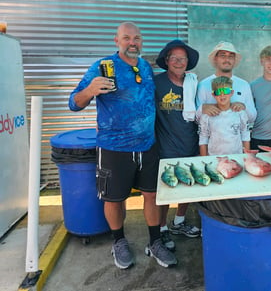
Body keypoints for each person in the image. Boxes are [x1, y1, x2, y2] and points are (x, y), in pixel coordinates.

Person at [68, 22, 177, 269]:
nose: (132, 43)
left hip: (148, 146)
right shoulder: (102, 67)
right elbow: (73, 103)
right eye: (127, 38)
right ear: (116, 41)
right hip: (114, 148)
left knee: (153, 195)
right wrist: (89, 91)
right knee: (115, 199)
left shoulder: (145, 67)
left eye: (137, 38)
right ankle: (119, 241)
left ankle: (155, 241)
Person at [154, 39, 201, 251]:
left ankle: (179, 222)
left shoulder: (194, 84)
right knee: (166, 190)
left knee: (188, 185)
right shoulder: (157, 83)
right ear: (167, 61)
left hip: (190, 142)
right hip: (166, 145)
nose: (179, 62)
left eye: (182, 58)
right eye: (174, 58)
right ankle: (162, 228)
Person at [195, 41, 256, 124]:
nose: (227, 59)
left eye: (231, 56)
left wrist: (244, 107)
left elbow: (252, 117)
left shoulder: (243, 85)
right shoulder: (204, 85)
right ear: (215, 59)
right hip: (212, 136)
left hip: (236, 136)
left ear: (234, 60)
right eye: (222, 55)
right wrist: (202, 109)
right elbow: (195, 119)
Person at [198, 76, 251, 156]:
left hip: (236, 158)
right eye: (218, 92)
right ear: (213, 94)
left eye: (226, 91)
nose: (222, 95)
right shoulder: (207, 115)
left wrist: (247, 158)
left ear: (232, 92)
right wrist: (204, 160)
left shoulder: (240, 113)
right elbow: (203, 139)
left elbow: (245, 136)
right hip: (214, 158)